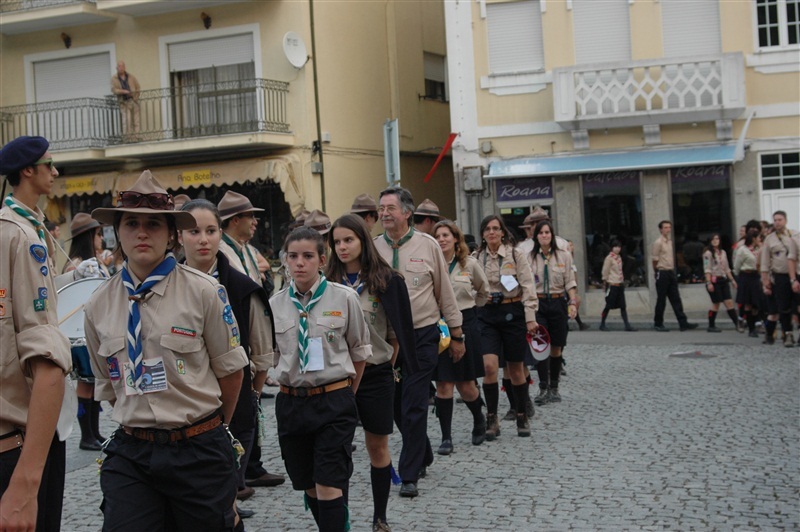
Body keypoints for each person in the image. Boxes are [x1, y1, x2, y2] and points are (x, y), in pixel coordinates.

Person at [84, 170, 248, 530]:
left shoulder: (204, 291)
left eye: (154, 224)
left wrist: (211, 427)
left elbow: (231, 371)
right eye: (131, 223)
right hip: (133, 452)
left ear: (171, 234)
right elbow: (109, 384)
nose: (142, 233)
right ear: (118, 233)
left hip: (197, 448)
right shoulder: (98, 304)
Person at [178, 199, 279, 522]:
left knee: (225, 474)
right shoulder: (164, 285)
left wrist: (253, 392)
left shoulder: (241, 287)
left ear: (221, 234)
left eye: (210, 231)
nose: (203, 239)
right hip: (183, 398)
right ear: (180, 236)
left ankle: (229, 508)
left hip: (233, 399)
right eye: (194, 231)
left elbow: (261, 349)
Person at [270, 226, 370, 532]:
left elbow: (359, 350)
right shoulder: (274, 304)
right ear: (285, 260)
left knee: (328, 483)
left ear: (322, 260)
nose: (300, 263)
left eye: (308, 256)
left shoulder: (345, 298)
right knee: (309, 484)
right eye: (293, 256)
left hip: (333, 401)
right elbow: (273, 354)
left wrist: (346, 394)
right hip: (292, 402)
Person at [326, 214, 415, 532]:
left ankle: (380, 517)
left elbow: (395, 336)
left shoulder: (386, 280)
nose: (342, 247)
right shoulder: (329, 284)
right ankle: (342, 516)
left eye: (348, 240)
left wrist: (386, 369)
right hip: (337, 378)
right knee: (338, 447)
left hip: (377, 375)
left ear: (363, 240)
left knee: (377, 445)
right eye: (336, 242)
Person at [373, 186, 463, 498]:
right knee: (397, 406)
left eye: (390, 208)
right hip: (387, 340)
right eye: (381, 208)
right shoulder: (373, 250)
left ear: (407, 213)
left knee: (413, 403)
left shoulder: (428, 246)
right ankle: (422, 450)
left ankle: (409, 473)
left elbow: (444, 292)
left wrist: (457, 333)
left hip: (423, 334)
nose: (384, 213)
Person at [0, 136, 71, 531]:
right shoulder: (20, 235)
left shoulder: (27, 226)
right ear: (28, 171)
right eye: (49, 164)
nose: (55, 172)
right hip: (23, 422)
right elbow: (35, 333)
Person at [475, 214, 538, 438]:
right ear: (482, 234)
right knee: (490, 366)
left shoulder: (515, 254)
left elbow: (528, 286)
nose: (492, 232)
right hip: (487, 314)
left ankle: (522, 414)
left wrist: (530, 317)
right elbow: (468, 286)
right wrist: (480, 297)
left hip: (513, 313)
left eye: (496, 228)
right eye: (487, 229)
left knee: (516, 369)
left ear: (502, 232)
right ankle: (492, 418)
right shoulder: (475, 257)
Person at [432, 220, 489, 453]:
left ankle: (479, 418)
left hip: (466, 323)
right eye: (438, 236)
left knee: (466, 385)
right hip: (439, 326)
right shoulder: (431, 265)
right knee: (443, 384)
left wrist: (471, 314)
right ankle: (446, 437)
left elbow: (483, 292)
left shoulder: (470, 264)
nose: (442, 239)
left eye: (446, 235)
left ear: (456, 239)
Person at [63, 212, 110, 451]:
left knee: (92, 384)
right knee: (86, 383)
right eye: (98, 234)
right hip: (82, 334)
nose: (101, 239)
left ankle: (94, 433)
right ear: (89, 236)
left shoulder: (87, 262)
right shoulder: (82, 264)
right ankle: (87, 436)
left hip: (86, 331)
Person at [528, 220, 576, 404]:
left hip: (557, 303)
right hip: (538, 304)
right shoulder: (529, 257)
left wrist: (572, 302)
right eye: (541, 233)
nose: (545, 236)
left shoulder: (564, 256)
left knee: (556, 347)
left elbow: (570, 282)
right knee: (541, 348)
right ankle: (542, 388)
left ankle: (554, 387)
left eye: (547, 232)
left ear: (552, 235)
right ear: (536, 236)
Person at [760, 211, 799, 347]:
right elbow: (765, 262)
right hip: (780, 275)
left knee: (798, 306)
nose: (777, 222)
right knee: (784, 307)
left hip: (796, 274)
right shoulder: (770, 239)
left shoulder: (795, 235)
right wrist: (765, 281)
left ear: (786, 220)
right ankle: (787, 334)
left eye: (780, 219)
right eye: (775, 220)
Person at [651, 220, 698, 332]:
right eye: (665, 227)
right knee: (661, 299)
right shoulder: (658, 242)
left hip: (670, 271)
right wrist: (657, 271)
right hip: (662, 271)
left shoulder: (670, 242)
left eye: (669, 227)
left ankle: (683, 322)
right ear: (661, 229)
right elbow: (654, 260)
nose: (668, 229)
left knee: (676, 298)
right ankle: (658, 323)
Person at [218, 190, 265, 286]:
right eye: (251, 216)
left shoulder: (244, 247)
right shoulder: (219, 251)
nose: (255, 222)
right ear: (236, 220)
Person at [703, 234, 741, 333]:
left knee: (729, 302)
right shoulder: (708, 253)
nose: (715, 241)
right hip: (714, 280)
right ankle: (711, 325)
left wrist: (732, 280)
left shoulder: (722, 252)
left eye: (717, 238)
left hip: (723, 279)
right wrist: (709, 282)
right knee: (716, 303)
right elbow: (707, 269)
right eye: (713, 239)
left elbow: (727, 268)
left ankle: (737, 324)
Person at [599, 239, 636, 332]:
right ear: (612, 247)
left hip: (619, 283)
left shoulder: (619, 257)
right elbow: (605, 271)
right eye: (615, 247)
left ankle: (627, 325)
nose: (617, 249)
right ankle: (602, 323)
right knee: (608, 306)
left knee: (623, 306)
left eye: (619, 247)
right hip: (612, 284)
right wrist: (605, 282)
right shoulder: (609, 258)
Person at [733, 229, 763, 338]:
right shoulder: (742, 250)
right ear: (754, 238)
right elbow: (737, 265)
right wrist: (737, 276)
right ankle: (751, 329)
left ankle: (756, 324)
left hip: (756, 277)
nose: (760, 240)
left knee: (756, 303)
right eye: (759, 238)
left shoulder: (759, 249)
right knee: (748, 303)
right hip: (746, 276)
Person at [110, 61, 141, 141]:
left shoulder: (131, 77)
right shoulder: (114, 78)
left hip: (133, 101)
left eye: (121, 66)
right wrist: (123, 91)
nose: (120, 68)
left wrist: (135, 98)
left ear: (124, 67)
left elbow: (138, 87)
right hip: (124, 102)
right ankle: (127, 138)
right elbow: (113, 90)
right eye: (119, 66)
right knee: (126, 121)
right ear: (117, 68)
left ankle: (136, 137)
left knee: (136, 121)